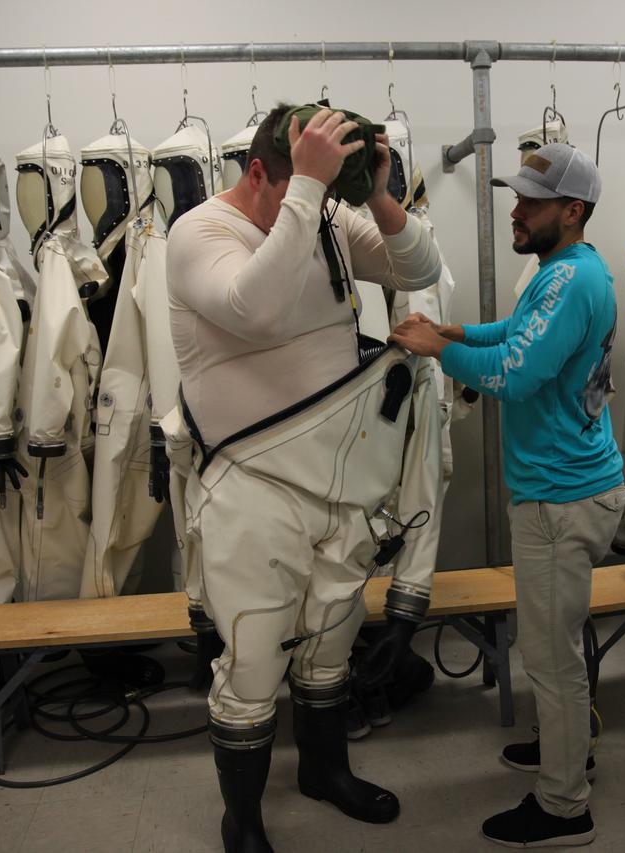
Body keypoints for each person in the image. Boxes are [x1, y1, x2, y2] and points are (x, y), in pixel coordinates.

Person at [167, 104, 443, 852]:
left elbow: (420, 268)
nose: (314, 201)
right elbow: (251, 308)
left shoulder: (322, 218)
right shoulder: (198, 232)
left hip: (338, 482)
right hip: (251, 483)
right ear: (260, 172)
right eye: (296, 185)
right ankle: (244, 820)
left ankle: (326, 772)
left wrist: (377, 195)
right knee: (253, 658)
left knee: (330, 642)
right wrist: (309, 189)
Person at [389, 141, 625, 849]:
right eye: (515, 196)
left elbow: (516, 373)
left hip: (563, 496)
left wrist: (439, 351)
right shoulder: (562, 272)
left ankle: (565, 806)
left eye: (531, 201)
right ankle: (567, 747)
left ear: (573, 210)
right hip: (560, 488)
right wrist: (458, 330)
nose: (515, 210)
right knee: (553, 650)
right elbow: (517, 334)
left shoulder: (572, 281)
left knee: (550, 659)